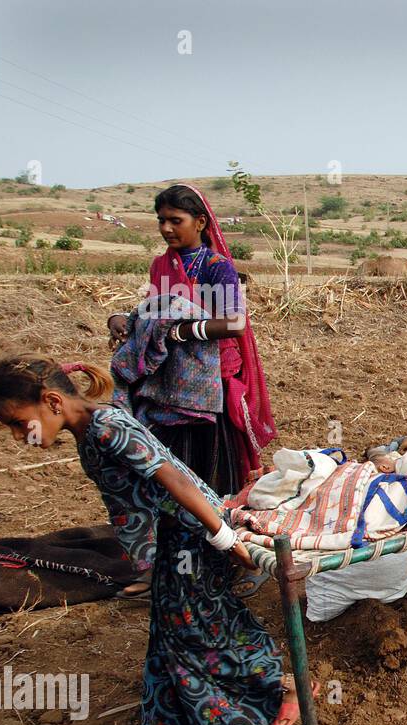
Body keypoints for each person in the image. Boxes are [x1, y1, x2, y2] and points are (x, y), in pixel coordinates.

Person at [0, 356, 308, 725]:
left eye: (19, 423)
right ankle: (200, 709)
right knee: (189, 626)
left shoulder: (106, 426)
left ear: (52, 402)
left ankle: (279, 687)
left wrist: (226, 538)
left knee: (196, 630)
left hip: (191, 536)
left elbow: (171, 477)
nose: (20, 436)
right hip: (170, 544)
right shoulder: (92, 426)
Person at [107, 184, 276, 597]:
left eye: (175, 221)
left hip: (210, 389)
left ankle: (244, 561)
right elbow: (153, 312)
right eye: (161, 221)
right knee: (168, 476)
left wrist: (180, 330)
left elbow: (234, 323)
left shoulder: (216, 268)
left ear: (200, 222)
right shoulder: (160, 266)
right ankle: (172, 567)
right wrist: (125, 320)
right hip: (167, 387)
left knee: (215, 479)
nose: (166, 228)